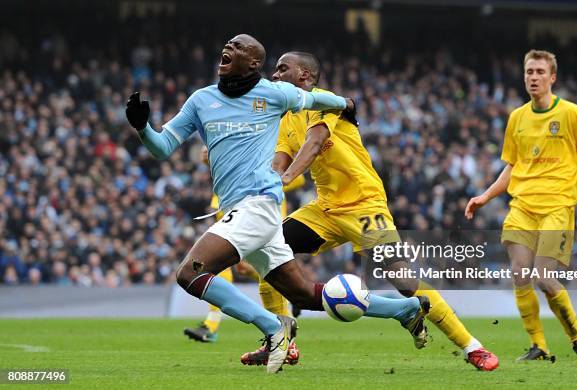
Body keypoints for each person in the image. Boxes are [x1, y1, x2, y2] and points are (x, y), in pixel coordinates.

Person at [126, 34, 428, 373]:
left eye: (238, 47)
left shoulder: (274, 94)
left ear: (254, 63)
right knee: (302, 294)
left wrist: (345, 102)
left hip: (258, 205)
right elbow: (162, 146)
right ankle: (402, 309)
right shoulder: (201, 100)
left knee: (190, 273)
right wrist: (142, 128)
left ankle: (273, 329)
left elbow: (317, 98)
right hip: (245, 211)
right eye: (228, 45)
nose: (228, 48)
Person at [240, 51, 499, 371]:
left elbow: (316, 141)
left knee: (403, 280)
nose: (275, 75)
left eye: (283, 69)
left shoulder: (323, 100)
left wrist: (287, 178)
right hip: (325, 210)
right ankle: (280, 342)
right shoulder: (286, 117)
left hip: (364, 204)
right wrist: (260, 185)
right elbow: (280, 162)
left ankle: (473, 347)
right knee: (267, 246)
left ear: (305, 76)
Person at [465, 49, 577, 362]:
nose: (534, 77)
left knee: (543, 277)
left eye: (540, 72)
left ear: (552, 77)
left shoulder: (571, 114)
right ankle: (539, 346)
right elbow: (512, 166)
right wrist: (485, 196)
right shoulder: (517, 118)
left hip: (557, 207)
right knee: (519, 273)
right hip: (522, 207)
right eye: (529, 72)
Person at [183, 145, 303, 366]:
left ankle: (214, 325)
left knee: (217, 267)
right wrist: (211, 158)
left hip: (260, 209)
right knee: (244, 268)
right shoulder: (232, 124)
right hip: (231, 199)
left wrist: (274, 180)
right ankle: (291, 296)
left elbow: (297, 177)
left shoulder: (270, 130)